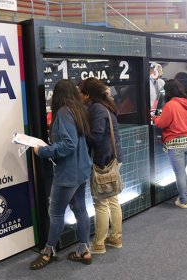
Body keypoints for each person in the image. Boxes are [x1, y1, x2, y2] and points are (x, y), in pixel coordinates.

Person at [30, 79, 93, 270]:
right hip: (81, 170)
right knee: (80, 210)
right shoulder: (79, 110)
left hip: (68, 174)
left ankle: (48, 251)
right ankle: (84, 249)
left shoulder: (64, 112)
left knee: (56, 213)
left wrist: (43, 151)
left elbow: (69, 144)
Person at [78, 77, 124, 255]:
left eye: (81, 92)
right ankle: (116, 237)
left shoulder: (96, 108)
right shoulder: (108, 104)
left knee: (101, 202)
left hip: (104, 161)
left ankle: (99, 243)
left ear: (88, 94)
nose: (79, 96)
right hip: (114, 158)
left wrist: (81, 131)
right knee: (112, 199)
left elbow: (96, 137)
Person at [153, 79, 187, 208]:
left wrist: (155, 118)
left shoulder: (170, 105)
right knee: (182, 172)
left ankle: (184, 200)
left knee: (180, 173)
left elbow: (161, 123)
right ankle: (185, 196)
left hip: (176, 144)